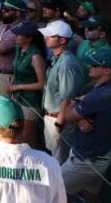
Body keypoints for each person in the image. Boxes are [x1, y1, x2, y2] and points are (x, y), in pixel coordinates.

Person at [57, 46, 111, 200]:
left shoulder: (101, 94)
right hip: (102, 153)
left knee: (52, 189)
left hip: (87, 159)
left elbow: (67, 116)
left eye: (95, 65)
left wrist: (75, 101)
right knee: (90, 194)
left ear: (107, 71)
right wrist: (80, 117)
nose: (90, 67)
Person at [40, 20, 85, 163]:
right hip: (51, 117)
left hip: (59, 119)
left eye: (50, 36)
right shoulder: (57, 58)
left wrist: (59, 122)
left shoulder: (67, 64)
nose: (46, 38)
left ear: (62, 40)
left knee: (60, 161)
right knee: (54, 156)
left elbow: (68, 97)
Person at [7, 21, 46, 148]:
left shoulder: (35, 56)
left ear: (29, 38)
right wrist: (13, 83)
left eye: (19, 35)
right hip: (17, 97)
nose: (16, 37)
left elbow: (41, 84)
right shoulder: (19, 48)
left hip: (30, 101)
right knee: (18, 134)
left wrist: (17, 86)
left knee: (28, 137)